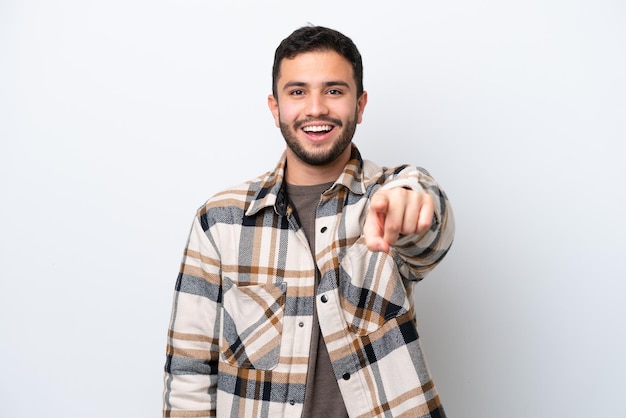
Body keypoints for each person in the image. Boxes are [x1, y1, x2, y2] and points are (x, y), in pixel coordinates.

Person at [163, 25, 455, 418]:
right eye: (297, 91)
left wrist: (413, 205)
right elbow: (189, 373)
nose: (315, 108)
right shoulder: (220, 222)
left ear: (361, 104)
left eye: (334, 91)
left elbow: (429, 230)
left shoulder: (386, 196)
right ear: (275, 107)